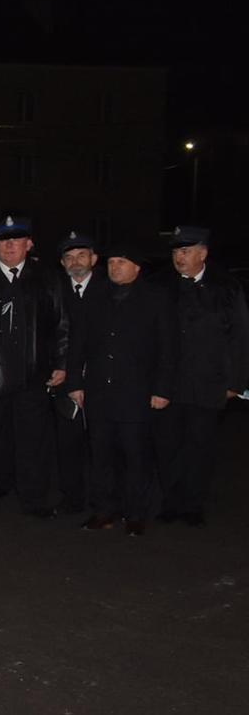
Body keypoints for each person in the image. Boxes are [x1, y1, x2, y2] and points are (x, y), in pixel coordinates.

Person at [0, 216, 70, 517]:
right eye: (4, 241)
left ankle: (34, 499)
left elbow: (61, 324)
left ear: (28, 244)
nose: (9, 246)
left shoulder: (46, 278)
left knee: (33, 441)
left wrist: (61, 363)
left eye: (16, 240)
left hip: (32, 375)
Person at [65, 242, 174, 536]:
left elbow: (167, 347)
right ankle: (104, 511)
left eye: (122, 262)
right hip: (100, 391)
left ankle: (136, 513)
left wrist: (162, 388)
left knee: (136, 455)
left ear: (137, 267)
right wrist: (75, 382)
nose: (115, 268)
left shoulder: (155, 298)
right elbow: (78, 343)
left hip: (137, 392)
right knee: (100, 455)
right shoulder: (95, 297)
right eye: (112, 262)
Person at [155, 225, 249, 528]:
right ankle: (170, 501)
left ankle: (193, 504)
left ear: (203, 253)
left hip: (208, 382)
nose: (179, 257)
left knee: (200, 444)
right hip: (169, 383)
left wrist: (236, 382)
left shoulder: (226, 287)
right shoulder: (161, 286)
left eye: (185, 251)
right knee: (168, 445)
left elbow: (239, 337)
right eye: (175, 251)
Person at [53, 231, 103, 515]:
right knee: (68, 444)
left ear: (94, 259)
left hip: (101, 379)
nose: (75, 262)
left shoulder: (109, 288)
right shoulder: (55, 290)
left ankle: (103, 500)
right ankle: (71, 498)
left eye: (81, 255)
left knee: (101, 445)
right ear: (62, 263)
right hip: (64, 379)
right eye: (69, 257)